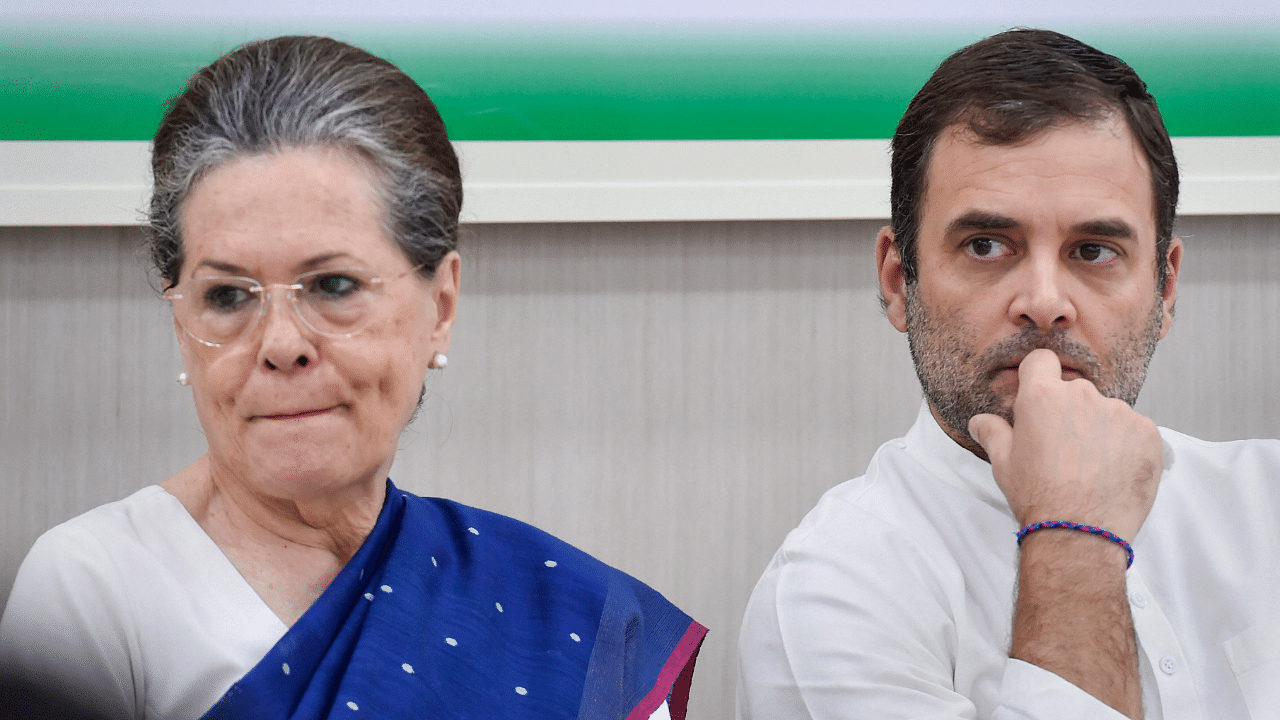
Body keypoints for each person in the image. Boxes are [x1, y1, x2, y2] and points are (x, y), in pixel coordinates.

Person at [0, 36, 705, 720]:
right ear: (181, 321)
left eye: (332, 284)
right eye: (228, 295)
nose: (280, 344)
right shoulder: (96, 589)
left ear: (441, 306)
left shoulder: (561, 613)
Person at [737, 28, 1280, 720]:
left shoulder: (1268, 504)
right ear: (900, 283)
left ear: (1165, 290)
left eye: (1094, 250)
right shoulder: (833, 591)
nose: (1046, 303)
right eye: (987, 245)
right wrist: (1074, 534)